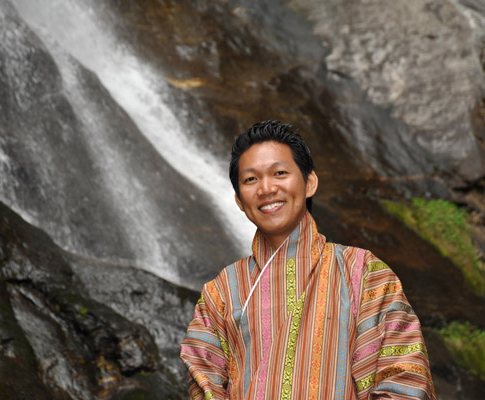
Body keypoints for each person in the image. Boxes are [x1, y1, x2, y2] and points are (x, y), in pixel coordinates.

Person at [180, 120, 435, 399]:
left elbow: (403, 379)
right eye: (251, 179)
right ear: (240, 201)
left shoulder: (363, 273)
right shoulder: (221, 293)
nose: (266, 188)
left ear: (309, 182)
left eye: (279, 172)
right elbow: (204, 383)